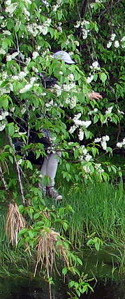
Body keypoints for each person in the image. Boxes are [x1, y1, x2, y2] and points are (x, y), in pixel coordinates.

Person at [40, 51, 103, 201]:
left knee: (53, 152)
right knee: (54, 151)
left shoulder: (58, 78)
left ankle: (43, 188)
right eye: (65, 64)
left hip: (53, 122)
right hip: (42, 121)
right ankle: (48, 188)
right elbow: (59, 94)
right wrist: (85, 95)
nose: (67, 68)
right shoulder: (48, 78)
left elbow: (66, 93)